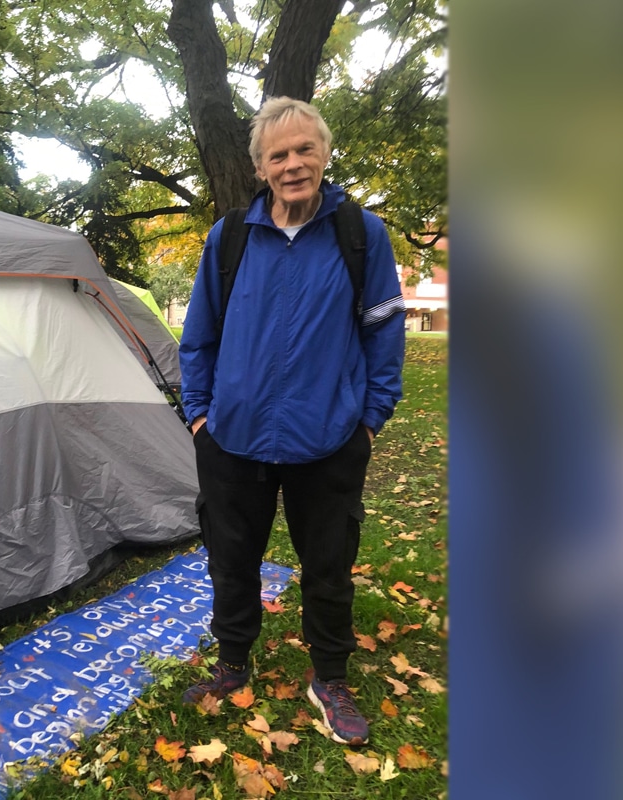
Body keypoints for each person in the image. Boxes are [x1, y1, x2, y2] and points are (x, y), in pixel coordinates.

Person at [178, 96, 406, 745]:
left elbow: (383, 336)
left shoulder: (361, 235)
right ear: (260, 167)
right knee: (232, 561)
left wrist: (369, 421)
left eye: (305, 148)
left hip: (330, 438)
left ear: (325, 153)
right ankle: (231, 664)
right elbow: (198, 338)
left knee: (329, 564)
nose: (294, 163)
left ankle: (329, 676)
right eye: (279, 154)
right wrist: (200, 417)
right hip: (233, 438)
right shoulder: (230, 238)